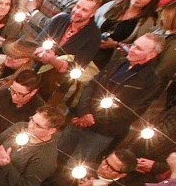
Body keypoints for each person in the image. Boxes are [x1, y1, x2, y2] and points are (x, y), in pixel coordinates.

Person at [61, 33, 163, 164]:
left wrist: (92, 119)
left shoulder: (151, 82)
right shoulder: (118, 62)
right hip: (81, 119)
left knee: (76, 165)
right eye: (133, 45)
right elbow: (92, 85)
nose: (132, 49)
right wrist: (84, 112)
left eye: (139, 48)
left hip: (102, 132)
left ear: (151, 55)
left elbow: (131, 112)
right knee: (59, 152)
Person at [0, 104, 67, 186]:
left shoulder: (47, 158)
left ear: (52, 131)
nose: (30, 126)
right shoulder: (20, 127)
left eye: (38, 125)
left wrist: (6, 165)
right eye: (32, 120)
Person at [91, 0, 161, 69]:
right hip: (89, 46)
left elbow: (138, 47)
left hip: (107, 61)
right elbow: (91, 20)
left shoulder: (146, 22)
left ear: (150, 3)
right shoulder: (114, 4)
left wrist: (116, 44)